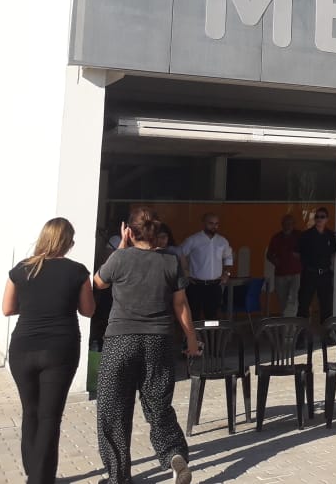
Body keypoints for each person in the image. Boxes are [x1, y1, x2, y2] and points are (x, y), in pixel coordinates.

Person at [93, 206, 198, 484]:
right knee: (158, 404)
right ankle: (175, 455)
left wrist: (121, 246)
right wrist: (191, 337)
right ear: (156, 232)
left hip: (120, 340)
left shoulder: (120, 258)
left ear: (129, 231)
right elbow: (181, 304)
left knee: (113, 408)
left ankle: (118, 477)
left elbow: (98, 282)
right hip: (159, 340)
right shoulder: (171, 262)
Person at [2, 217, 95, 483]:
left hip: (23, 348)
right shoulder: (77, 271)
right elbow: (88, 310)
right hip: (60, 349)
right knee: (50, 417)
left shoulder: (21, 269)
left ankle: (34, 472)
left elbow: (7, 308)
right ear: (67, 242)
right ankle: (40, 478)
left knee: (30, 412)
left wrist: (34, 305)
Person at [180, 212, 233, 321]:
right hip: (196, 285)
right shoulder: (193, 239)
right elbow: (180, 254)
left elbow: (228, 257)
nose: (214, 226)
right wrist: (186, 273)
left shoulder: (222, 241)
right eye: (211, 223)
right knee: (194, 317)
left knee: (212, 318)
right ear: (203, 223)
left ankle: (210, 333)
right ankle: (193, 333)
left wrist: (226, 273)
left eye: (216, 224)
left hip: (215, 285)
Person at [297, 207, 336, 321]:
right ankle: (302, 331)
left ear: (327, 219)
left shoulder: (330, 235)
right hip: (309, 273)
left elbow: (333, 252)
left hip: (325, 274)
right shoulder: (306, 235)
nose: (319, 219)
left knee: (326, 305)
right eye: (317, 216)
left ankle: (326, 331)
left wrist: (326, 265)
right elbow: (298, 253)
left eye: (322, 217)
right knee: (304, 304)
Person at [267, 214, 302, 317]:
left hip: (296, 273)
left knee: (294, 299)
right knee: (282, 300)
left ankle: (291, 323)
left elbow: (308, 251)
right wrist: (275, 261)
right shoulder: (276, 237)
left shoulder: (300, 236)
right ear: (282, 224)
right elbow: (269, 254)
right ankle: (285, 321)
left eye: (290, 223)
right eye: (286, 223)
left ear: (294, 224)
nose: (288, 225)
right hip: (280, 274)